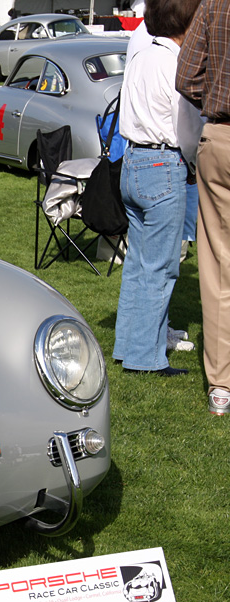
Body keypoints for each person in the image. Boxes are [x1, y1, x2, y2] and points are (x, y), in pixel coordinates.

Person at [112, 0, 203, 377]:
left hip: (132, 161)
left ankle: (127, 345)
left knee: (137, 264)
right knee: (161, 268)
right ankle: (145, 356)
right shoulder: (175, 63)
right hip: (162, 164)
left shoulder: (142, 56)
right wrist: (194, 163)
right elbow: (186, 126)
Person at [177, 0, 230, 413]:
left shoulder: (214, 3)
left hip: (222, 136)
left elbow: (187, 74)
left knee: (217, 265)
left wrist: (212, 96)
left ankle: (221, 387)